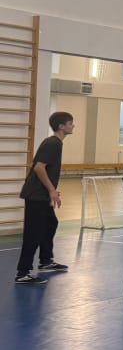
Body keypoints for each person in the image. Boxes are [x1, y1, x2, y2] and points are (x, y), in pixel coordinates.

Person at [15, 112, 75, 284]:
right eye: (70, 123)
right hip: (37, 195)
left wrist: (51, 190)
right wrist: (51, 190)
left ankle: (46, 260)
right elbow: (39, 168)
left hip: (41, 194)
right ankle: (22, 273)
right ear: (61, 126)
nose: (73, 126)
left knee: (50, 224)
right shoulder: (53, 143)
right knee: (33, 233)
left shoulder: (55, 143)